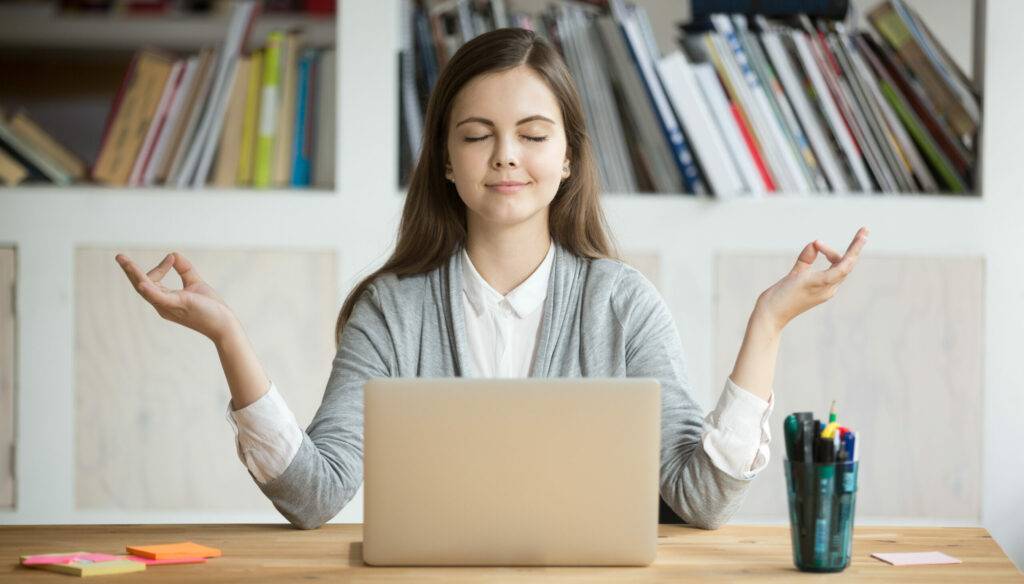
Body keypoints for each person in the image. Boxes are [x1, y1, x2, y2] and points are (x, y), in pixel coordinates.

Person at [115, 28, 868, 530]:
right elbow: (315, 497)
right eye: (477, 136)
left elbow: (698, 500)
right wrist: (227, 336)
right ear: (446, 160)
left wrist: (767, 324)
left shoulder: (622, 304)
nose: (506, 156)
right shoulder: (392, 310)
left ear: (568, 157)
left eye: (533, 136)